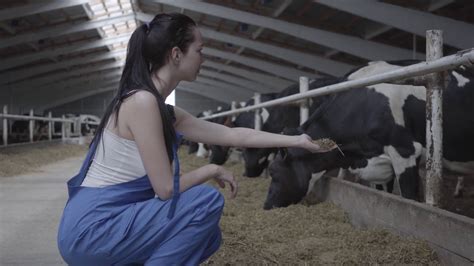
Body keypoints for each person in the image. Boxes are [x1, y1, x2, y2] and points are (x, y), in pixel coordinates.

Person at [57, 13, 325, 265]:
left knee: (208, 236)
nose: (203, 58)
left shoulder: (161, 109)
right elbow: (165, 189)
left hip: (107, 223)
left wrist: (296, 141)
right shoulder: (142, 102)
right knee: (205, 202)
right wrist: (212, 169)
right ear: (176, 55)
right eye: (199, 50)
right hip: (93, 229)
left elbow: (234, 134)